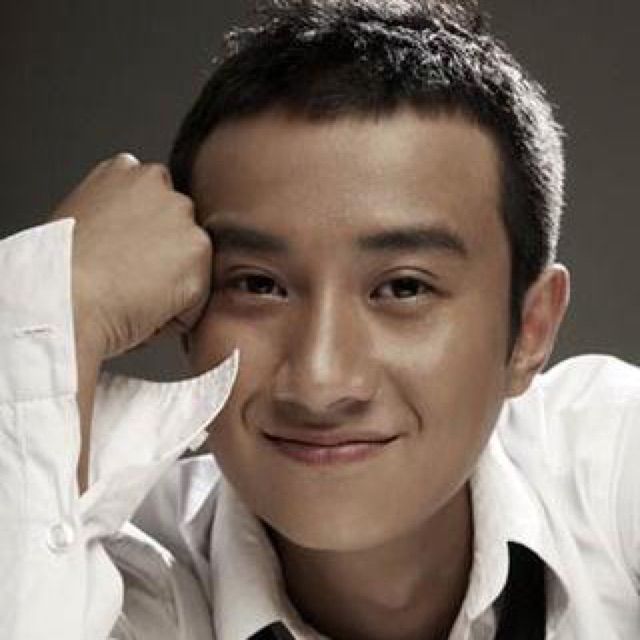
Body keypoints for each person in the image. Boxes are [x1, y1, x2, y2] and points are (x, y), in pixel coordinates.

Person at [1, 1, 638, 638]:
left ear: (530, 330)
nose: (320, 382)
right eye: (258, 285)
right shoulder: (112, 578)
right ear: (185, 311)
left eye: (404, 288)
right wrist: (60, 299)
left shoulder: (609, 465)